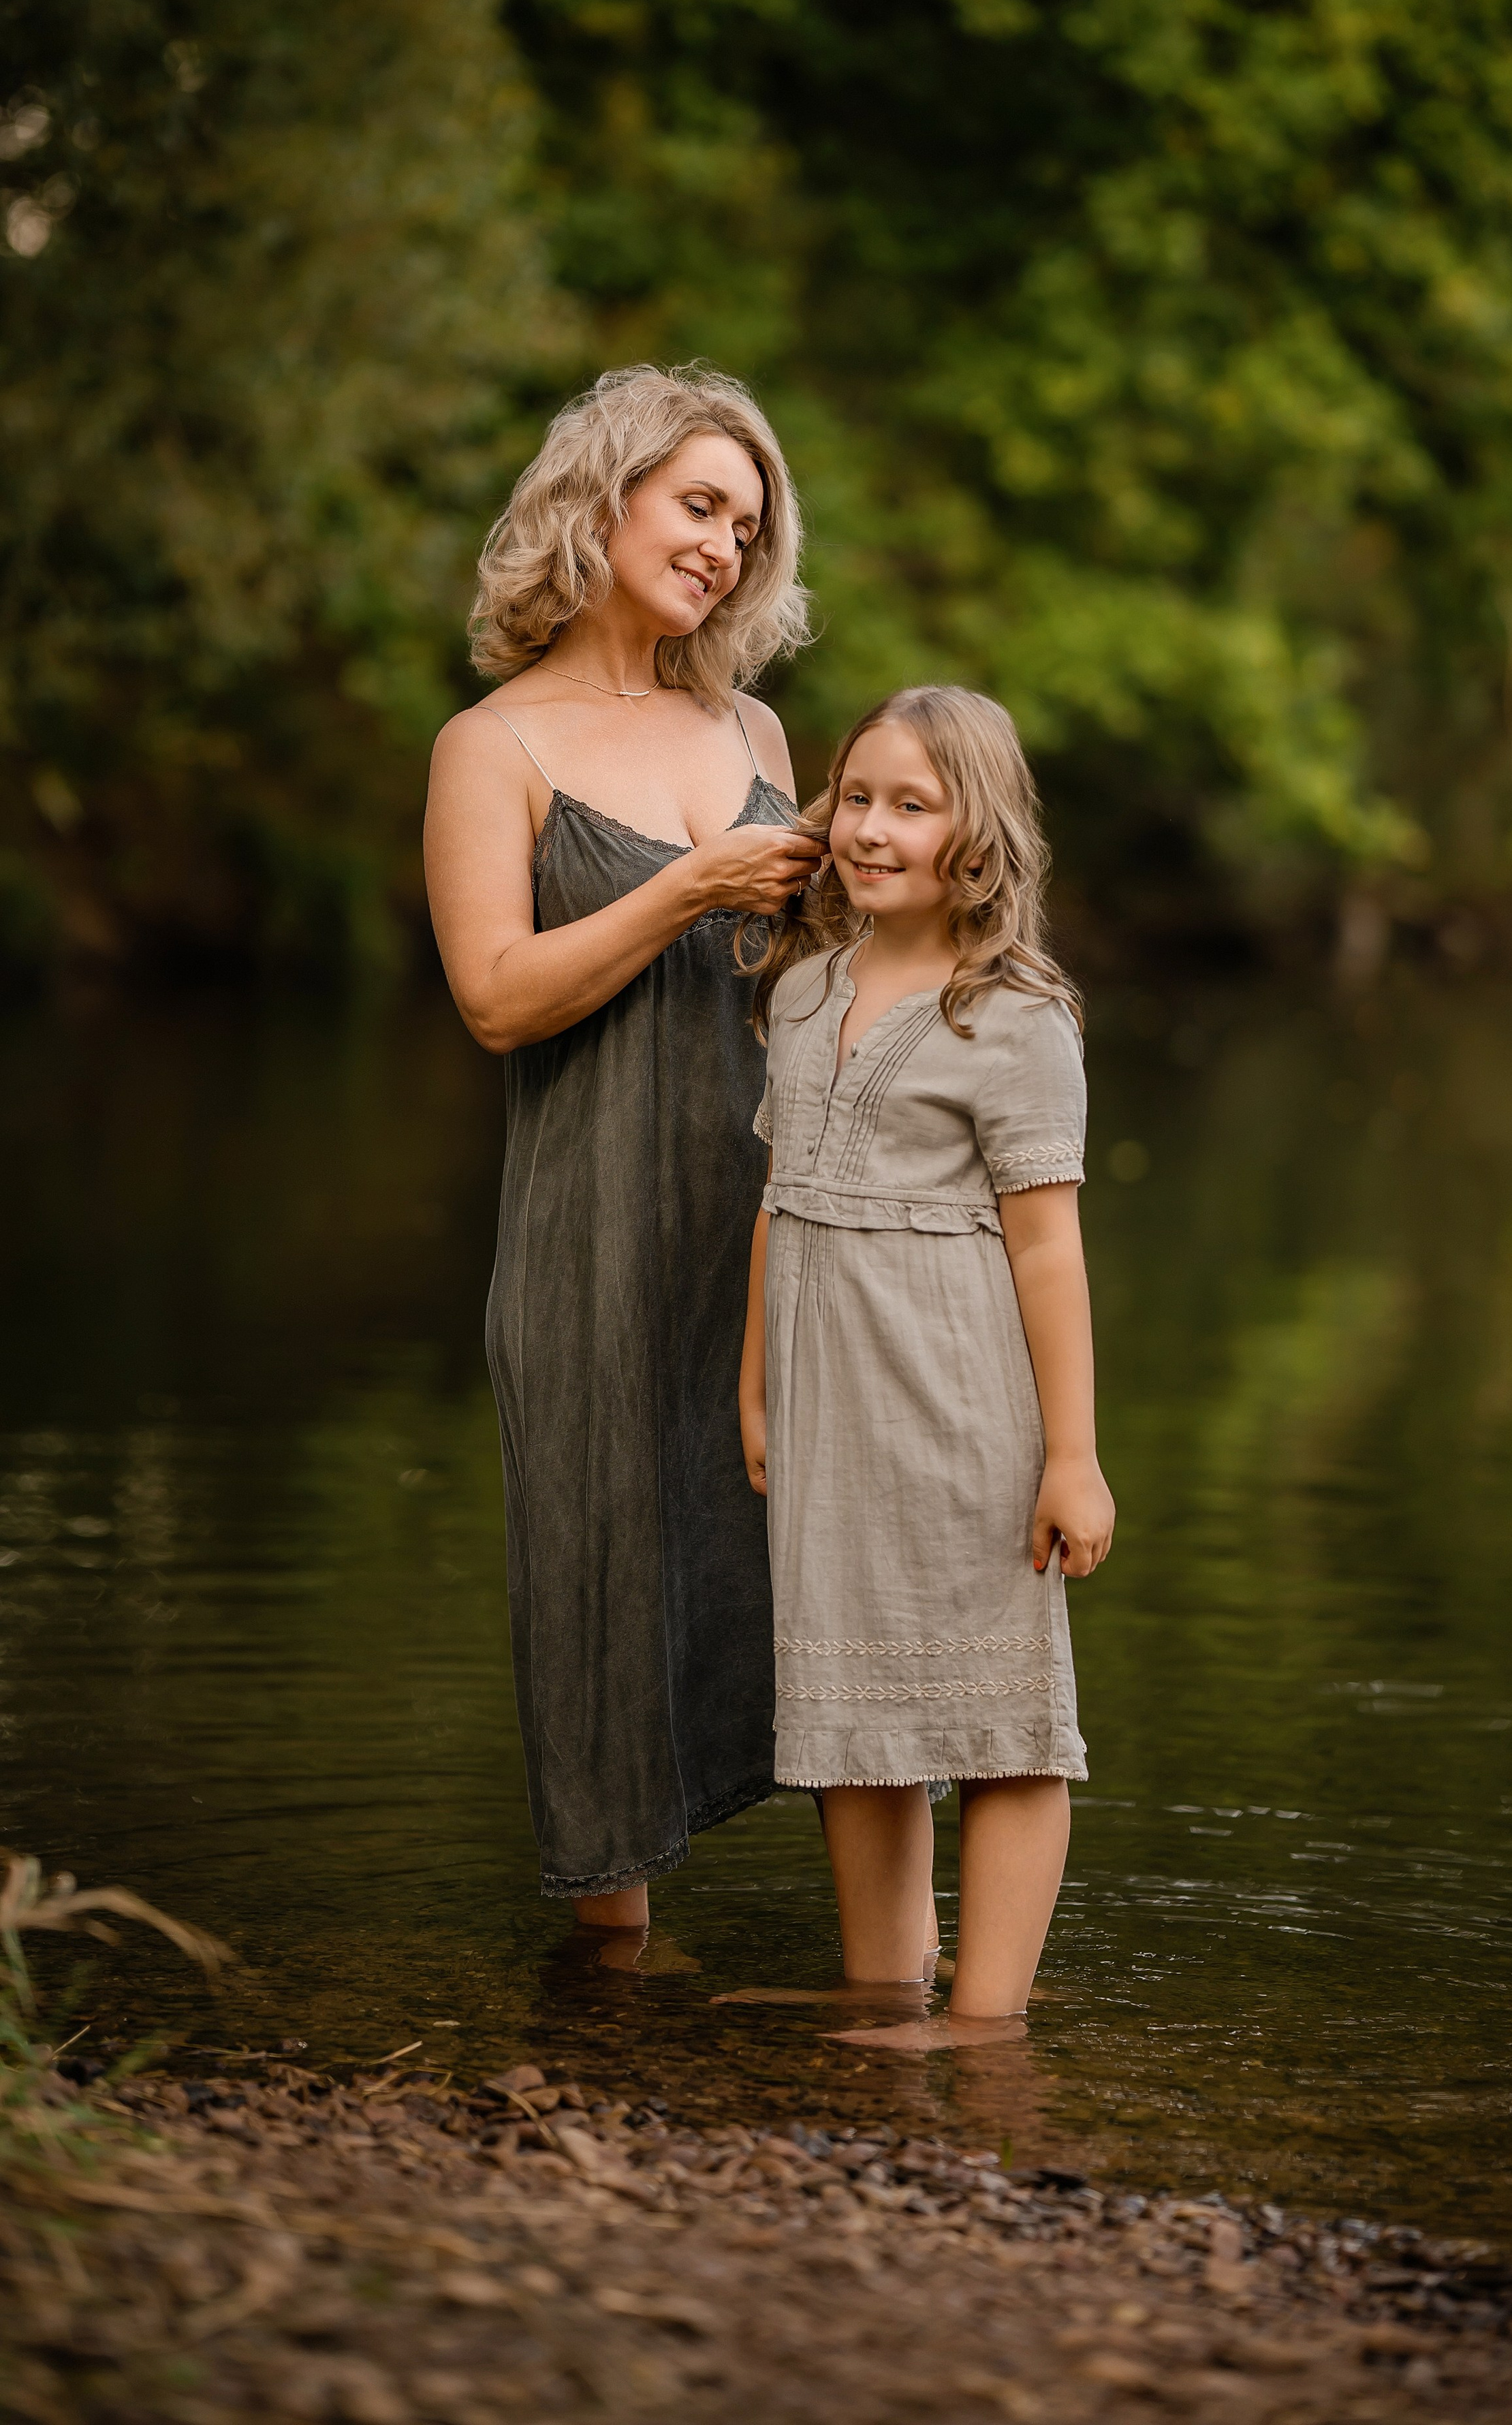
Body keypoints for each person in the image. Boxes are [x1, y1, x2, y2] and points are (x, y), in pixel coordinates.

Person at [424, 362, 822, 1927]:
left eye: (748, 523)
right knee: (602, 1623)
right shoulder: (492, 747)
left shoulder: (758, 729)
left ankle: (896, 2005)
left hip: (774, 1240)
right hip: (589, 1248)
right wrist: (682, 888)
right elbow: (494, 1002)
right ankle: (613, 2006)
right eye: (699, 504)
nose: (725, 545)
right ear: (601, 502)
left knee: (819, 1604)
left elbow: (803, 998)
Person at [737, 686, 1116, 2046]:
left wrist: (1069, 1457)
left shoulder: (1012, 1016)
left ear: (975, 831)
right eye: (854, 797)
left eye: (912, 803)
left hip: (959, 1401)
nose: (870, 828)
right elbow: (779, 1202)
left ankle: (986, 2017)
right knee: (856, 1706)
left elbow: (1048, 1253)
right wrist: (755, 1382)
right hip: (831, 1403)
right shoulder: (798, 991)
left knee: (996, 1713)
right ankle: (882, 1984)